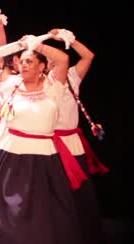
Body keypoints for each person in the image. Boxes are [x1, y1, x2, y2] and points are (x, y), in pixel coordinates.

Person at [0, 34, 103, 244]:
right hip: (13, 153)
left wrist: (37, 44)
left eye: (29, 61)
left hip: (45, 154)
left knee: (45, 208)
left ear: (42, 66)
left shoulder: (53, 89)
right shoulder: (10, 90)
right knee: (8, 207)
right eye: (22, 61)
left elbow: (64, 59)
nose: (24, 64)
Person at [47, 28, 109, 177]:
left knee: (79, 188)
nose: (57, 66)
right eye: (52, 63)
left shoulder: (72, 76)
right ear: (44, 66)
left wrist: (69, 39)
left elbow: (88, 56)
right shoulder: (39, 82)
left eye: (59, 62)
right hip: (50, 142)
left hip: (73, 141)